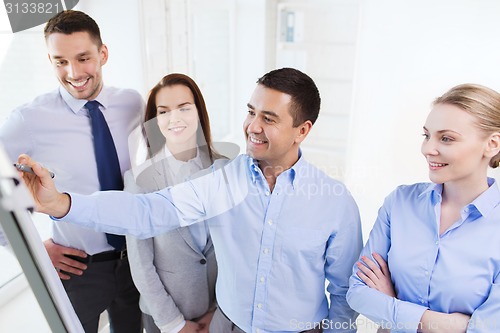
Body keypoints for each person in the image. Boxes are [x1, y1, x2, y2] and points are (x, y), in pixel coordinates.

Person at [19, 67, 363, 333]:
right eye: (251, 111)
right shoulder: (224, 180)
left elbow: (346, 290)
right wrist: (62, 203)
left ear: (302, 130)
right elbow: (149, 211)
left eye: (269, 118)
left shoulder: (335, 203)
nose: (252, 126)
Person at [0, 10, 143, 333]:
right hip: (80, 269)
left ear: (103, 54)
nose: (74, 72)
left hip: (137, 261)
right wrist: (35, 247)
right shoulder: (29, 119)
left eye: (83, 58)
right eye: (60, 61)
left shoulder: (132, 104)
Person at [346, 83, 500, 333]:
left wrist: (392, 307)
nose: (427, 149)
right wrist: (452, 325)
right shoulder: (399, 203)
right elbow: (358, 292)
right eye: (426, 135)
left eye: (446, 138)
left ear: (492, 144)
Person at [125, 73, 220, 333]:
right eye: (163, 111)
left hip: (219, 313)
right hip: (165, 319)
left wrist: (219, 311)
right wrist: (174, 324)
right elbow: (141, 264)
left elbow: (235, 250)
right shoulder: (139, 181)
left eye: (184, 108)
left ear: (198, 112)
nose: (174, 118)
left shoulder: (224, 168)